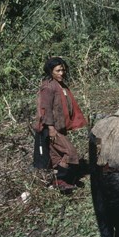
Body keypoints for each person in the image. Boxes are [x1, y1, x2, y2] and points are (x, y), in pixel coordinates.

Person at [34, 57, 87, 192]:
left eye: (63, 70)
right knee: (70, 152)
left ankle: (61, 181)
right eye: (58, 70)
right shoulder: (48, 87)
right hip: (51, 128)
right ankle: (60, 180)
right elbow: (45, 109)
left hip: (59, 127)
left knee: (57, 157)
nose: (61, 73)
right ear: (50, 71)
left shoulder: (61, 85)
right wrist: (51, 129)